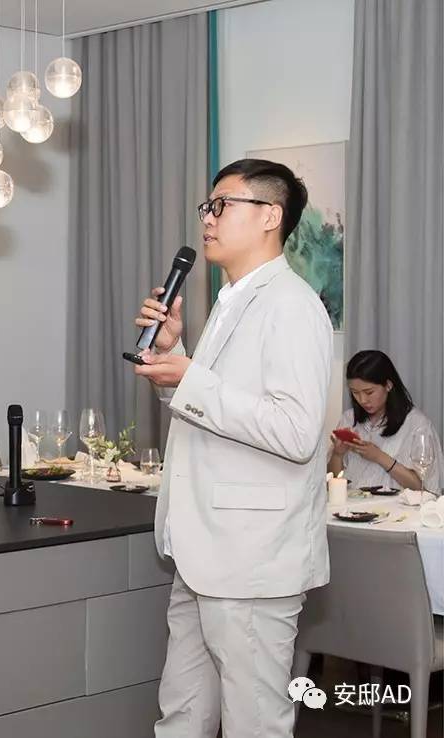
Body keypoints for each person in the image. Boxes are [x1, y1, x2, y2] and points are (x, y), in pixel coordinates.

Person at [133, 159, 332, 738]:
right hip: (201, 550)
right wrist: (175, 354)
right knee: (182, 716)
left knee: (255, 724)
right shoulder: (230, 301)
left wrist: (190, 378)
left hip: (250, 560)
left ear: (270, 216)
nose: (208, 218)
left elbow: (296, 432)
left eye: (222, 206)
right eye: (207, 207)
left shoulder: (292, 305)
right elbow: (220, 411)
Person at [330, 349, 441, 492]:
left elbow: (425, 489)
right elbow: (332, 482)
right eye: (355, 392)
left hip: (396, 506)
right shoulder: (349, 419)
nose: (362, 400)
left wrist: (379, 457)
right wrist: (337, 454)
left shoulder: (417, 425)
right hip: (351, 504)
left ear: (388, 385)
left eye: (369, 392)